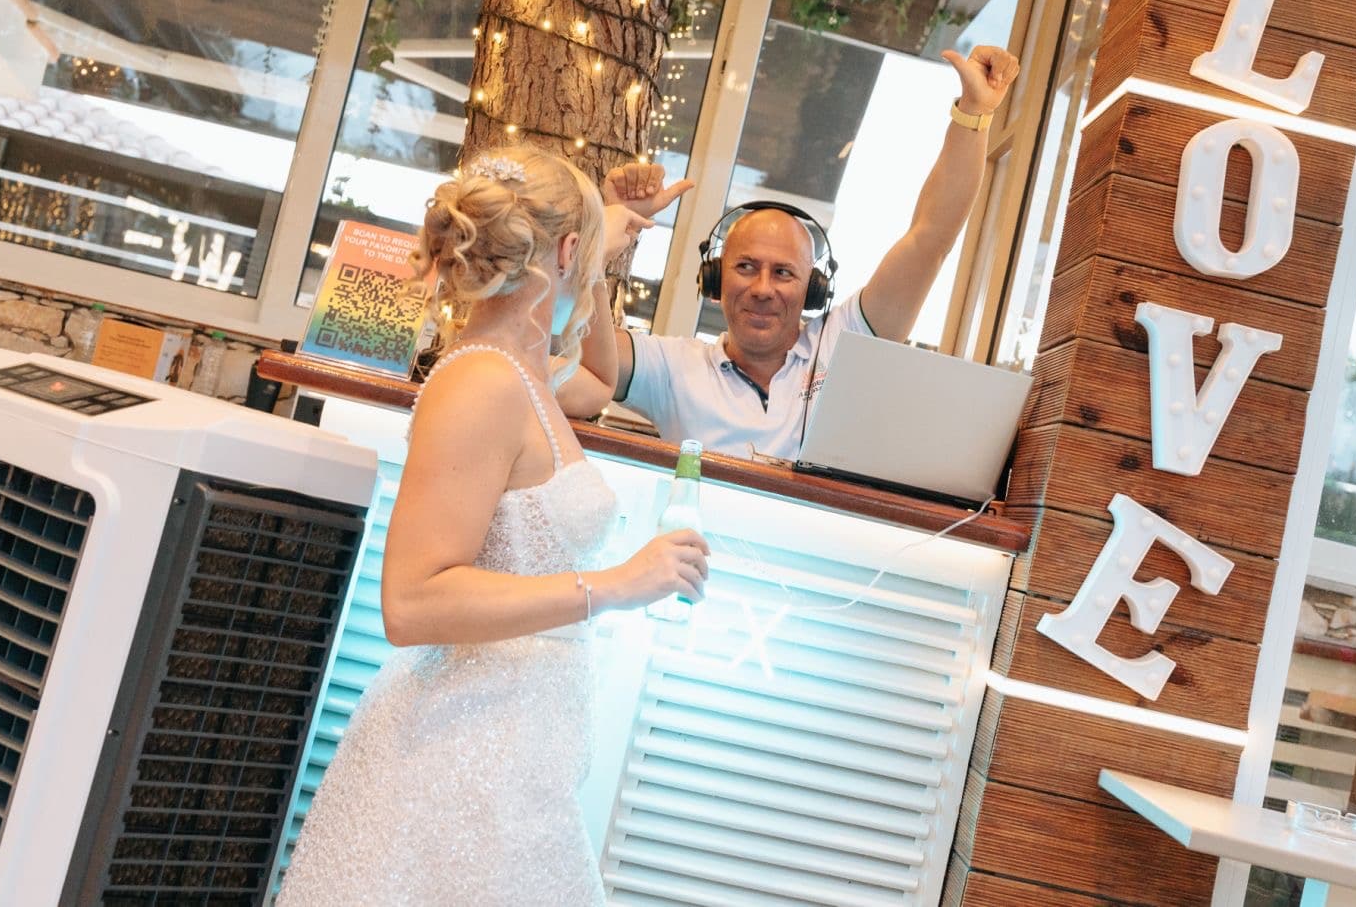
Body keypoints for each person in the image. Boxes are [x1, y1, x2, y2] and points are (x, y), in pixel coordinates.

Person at [277, 147, 710, 906]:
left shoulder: (526, 374)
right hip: (456, 765)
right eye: (584, 250)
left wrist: (601, 253)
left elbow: (603, 382)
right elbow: (413, 602)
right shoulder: (481, 384)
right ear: (565, 251)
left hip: (511, 758)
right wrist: (613, 585)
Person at [558, 44, 1021, 458]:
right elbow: (564, 344)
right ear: (715, 281)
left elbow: (930, 237)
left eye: (783, 273)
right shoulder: (672, 368)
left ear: (813, 289)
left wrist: (974, 114)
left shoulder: (846, 342)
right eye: (745, 267)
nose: (762, 288)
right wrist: (603, 224)